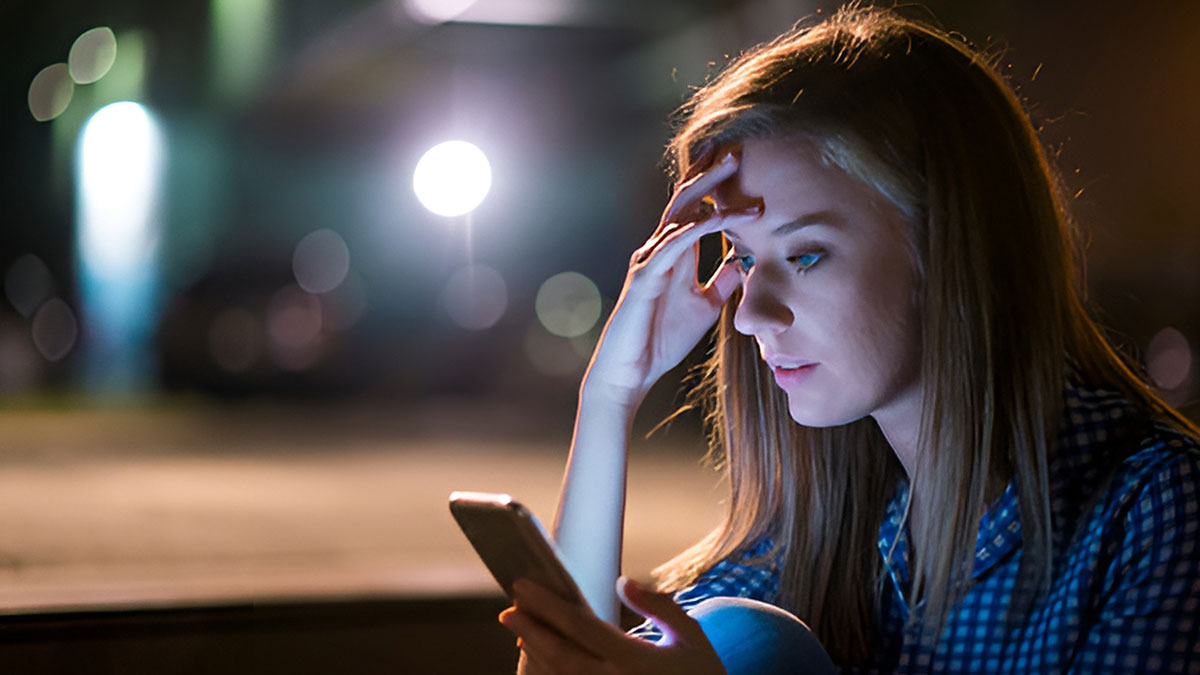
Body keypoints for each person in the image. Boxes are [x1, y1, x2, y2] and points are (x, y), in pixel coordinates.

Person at [497, 4, 1200, 673]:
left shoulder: (1157, 508)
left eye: (805, 255)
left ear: (951, 246)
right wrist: (612, 392)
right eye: (741, 257)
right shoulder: (831, 525)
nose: (749, 313)